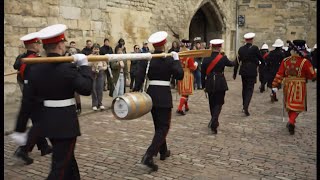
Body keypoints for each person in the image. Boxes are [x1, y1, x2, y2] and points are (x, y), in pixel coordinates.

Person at [25, 24, 93, 179]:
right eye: (64, 43)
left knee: (68, 162)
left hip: (49, 122)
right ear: (60, 45)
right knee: (60, 168)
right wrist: (84, 66)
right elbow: (86, 88)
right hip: (65, 124)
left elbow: (28, 100)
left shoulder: (37, 69)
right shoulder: (67, 69)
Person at [133, 31, 184, 171]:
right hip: (163, 96)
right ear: (165, 43)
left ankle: (163, 151)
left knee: (158, 125)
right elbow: (180, 75)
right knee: (164, 127)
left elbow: (139, 76)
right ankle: (148, 155)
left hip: (151, 95)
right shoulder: (168, 59)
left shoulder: (149, 59)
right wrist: (176, 60)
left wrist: (136, 90)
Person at [10, 32, 52, 165]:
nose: (40, 45)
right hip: (36, 97)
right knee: (39, 124)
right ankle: (23, 150)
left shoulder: (25, 58)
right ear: (33, 45)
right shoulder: (34, 60)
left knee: (38, 124)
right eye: (38, 43)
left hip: (30, 96)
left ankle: (44, 146)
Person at [271, 40, 316, 135]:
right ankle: (291, 121)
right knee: (298, 106)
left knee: (289, 105)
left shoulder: (285, 61)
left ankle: (291, 122)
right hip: (300, 86)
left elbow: (279, 74)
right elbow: (312, 75)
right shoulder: (305, 62)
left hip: (288, 85)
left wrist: (275, 85)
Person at [201, 39, 236, 134]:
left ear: (212, 47)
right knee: (219, 103)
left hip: (209, 83)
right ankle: (214, 121)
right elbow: (232, 64)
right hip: (220, 82)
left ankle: (213, 120)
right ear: (220, 47)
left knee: (212, 103)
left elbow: (202, 73)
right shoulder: (223, 58)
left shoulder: (206, 58)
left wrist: (203, 85)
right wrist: (238, 58)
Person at [233, 32, 264, 116]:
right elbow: (261, 58)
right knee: (250, 89)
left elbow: (237, 62)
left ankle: (244, 104)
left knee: (244, 88)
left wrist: (234, 73)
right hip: (252, 70)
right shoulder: (255, 48)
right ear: (252, 40)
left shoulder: (241, 49)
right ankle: (246, 106)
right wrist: (263, 64)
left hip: (243, 70)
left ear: (245, 40)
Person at [176, 40, 197, 115]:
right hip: (187, 74)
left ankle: (186, 106)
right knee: (185, 93)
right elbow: (192, 68)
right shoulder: (189, 56)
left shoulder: (179, 55)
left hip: (180, 73)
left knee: (184, 92)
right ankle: (180, 108)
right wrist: (196, 65)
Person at [89, 43, 107, 111]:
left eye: (97, 49)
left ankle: (100, 103)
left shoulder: (101, 57)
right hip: (92, 73)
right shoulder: (90, 56)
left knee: (100, 89)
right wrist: (93, 59)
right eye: (95, 49)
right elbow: (87, 64)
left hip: (100, 73)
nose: (96, 50)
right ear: (92, 49)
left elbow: (105, 66)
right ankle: (94, 104)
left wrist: (101, 68)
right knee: (93, 89)